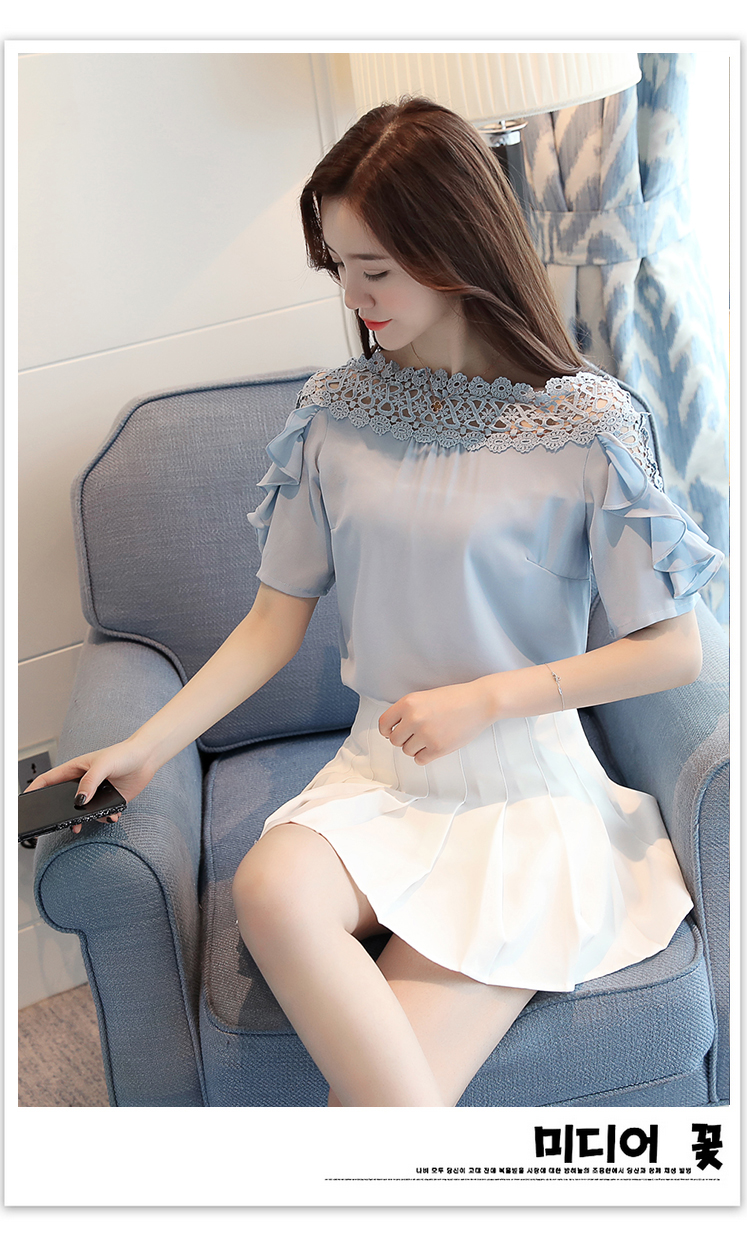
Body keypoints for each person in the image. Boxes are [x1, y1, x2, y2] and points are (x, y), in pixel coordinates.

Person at [27, 98, 724, 1108]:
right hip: (380, 777)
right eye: (339, 269)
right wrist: (146, 746)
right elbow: (273, 622)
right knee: (271, 887)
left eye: (377, 270)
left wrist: (488, 698)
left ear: (455, 252)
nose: (354, 298)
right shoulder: (333, 416)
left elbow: (674, 651)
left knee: (382, 1114)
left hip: (524, 796)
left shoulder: (585, 424)